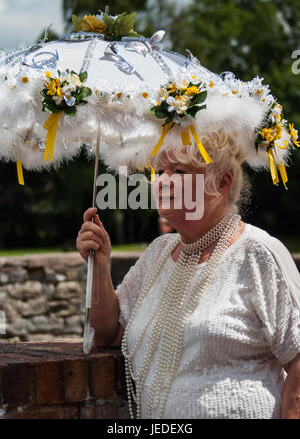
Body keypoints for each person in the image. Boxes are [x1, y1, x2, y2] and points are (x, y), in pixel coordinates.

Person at [76, 130, 300, 420]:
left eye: (179, 171)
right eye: (159, 171)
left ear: (221, 183)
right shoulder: (158, 253)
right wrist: (100, 264)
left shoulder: (258, 252)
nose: (162, 181)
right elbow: (108, 333)